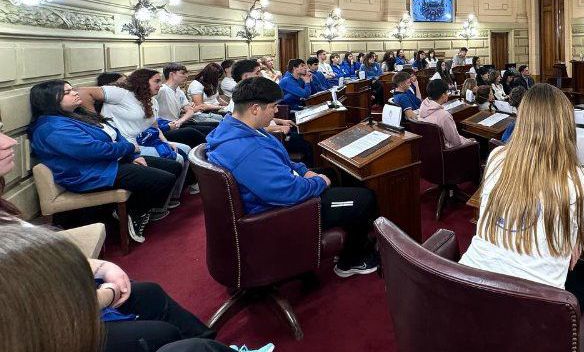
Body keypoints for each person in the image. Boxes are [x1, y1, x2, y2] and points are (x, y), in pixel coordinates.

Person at [460, 84, 584, 310]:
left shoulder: (496, 157)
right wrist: (573, 229)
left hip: (463, 291)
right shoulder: (580, 179)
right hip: (532, 314)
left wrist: (566, 227)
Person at [206, 77, 379, 277]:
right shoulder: (246, 149)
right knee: (364, 198)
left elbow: (283, 161)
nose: (276, 111)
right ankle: (352, 260)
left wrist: (305, 171)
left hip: (279, 192)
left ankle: (351, 234)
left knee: (334, 173)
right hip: (282, 212)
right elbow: (287, 192)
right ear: (255, 108)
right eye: (273, 107)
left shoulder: (238, 129)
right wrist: (318, 182)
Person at [0, 221, 237, 352]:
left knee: (150, 294)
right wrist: (109, 293)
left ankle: (217, 346)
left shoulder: (7, 216)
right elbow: (47, 313)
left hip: (69, 296)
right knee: (175, 340)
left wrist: (101, 267)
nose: (8, 142)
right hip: (62, 318)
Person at [28, 80, 181, 243]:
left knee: (173, 167)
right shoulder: (50, 127)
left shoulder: (76, 114)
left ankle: (134, 209)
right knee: (164, 179)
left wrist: (133, 156)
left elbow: (114, 133)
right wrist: (129, 148)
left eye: (72, 89)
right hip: (90, 173)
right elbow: (93, 150)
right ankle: (135, 212)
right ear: (49, 100)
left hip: (110, 162)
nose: (74, 93)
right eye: (67, 92)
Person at [77, 69, 192, 206]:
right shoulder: (122, 94)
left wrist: (166, 142)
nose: (160, 85)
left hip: (143, 140)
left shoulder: (152, 101)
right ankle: (158, 205)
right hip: (126, 143)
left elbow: (154, 127)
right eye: (156, 81)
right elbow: (82, 92)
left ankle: (171, 196)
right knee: (177, 158)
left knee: (185, 148)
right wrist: (96, 122)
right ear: (143, 82)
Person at [418, 79, 475, 148]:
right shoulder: (444, 116)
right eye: (447, 92)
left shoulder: (423, 107)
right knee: (474, 141)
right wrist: (468, 141)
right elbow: (456, 142)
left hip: (430, 148)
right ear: (443, 95)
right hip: (449, 152)